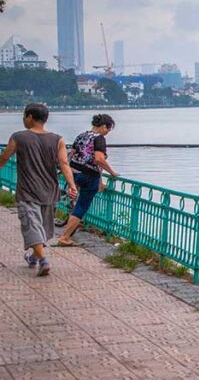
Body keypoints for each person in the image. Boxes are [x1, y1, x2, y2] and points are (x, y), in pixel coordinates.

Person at [0, 103, 78, 276]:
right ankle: (34, 258)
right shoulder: (58, 139)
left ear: (29, 117)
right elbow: (64, 164)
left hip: (27, 190)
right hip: (50, 190)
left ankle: (43, 261)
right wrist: (72, 186)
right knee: (44, 228)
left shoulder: (18, 137)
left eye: (24, 116)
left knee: (32, 226)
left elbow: (4, 157)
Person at [57, 113, 118, 246]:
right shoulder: (99, 138)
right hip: (88, 176)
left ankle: (68, 224)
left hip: (74, 173)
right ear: (103, 126)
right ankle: (65, 237)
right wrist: (112, 172)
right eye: (108, 129)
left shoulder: (81, 136)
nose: (107, 132)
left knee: (76, 201)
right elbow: (99, 159)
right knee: (82, 206)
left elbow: (71, 154)